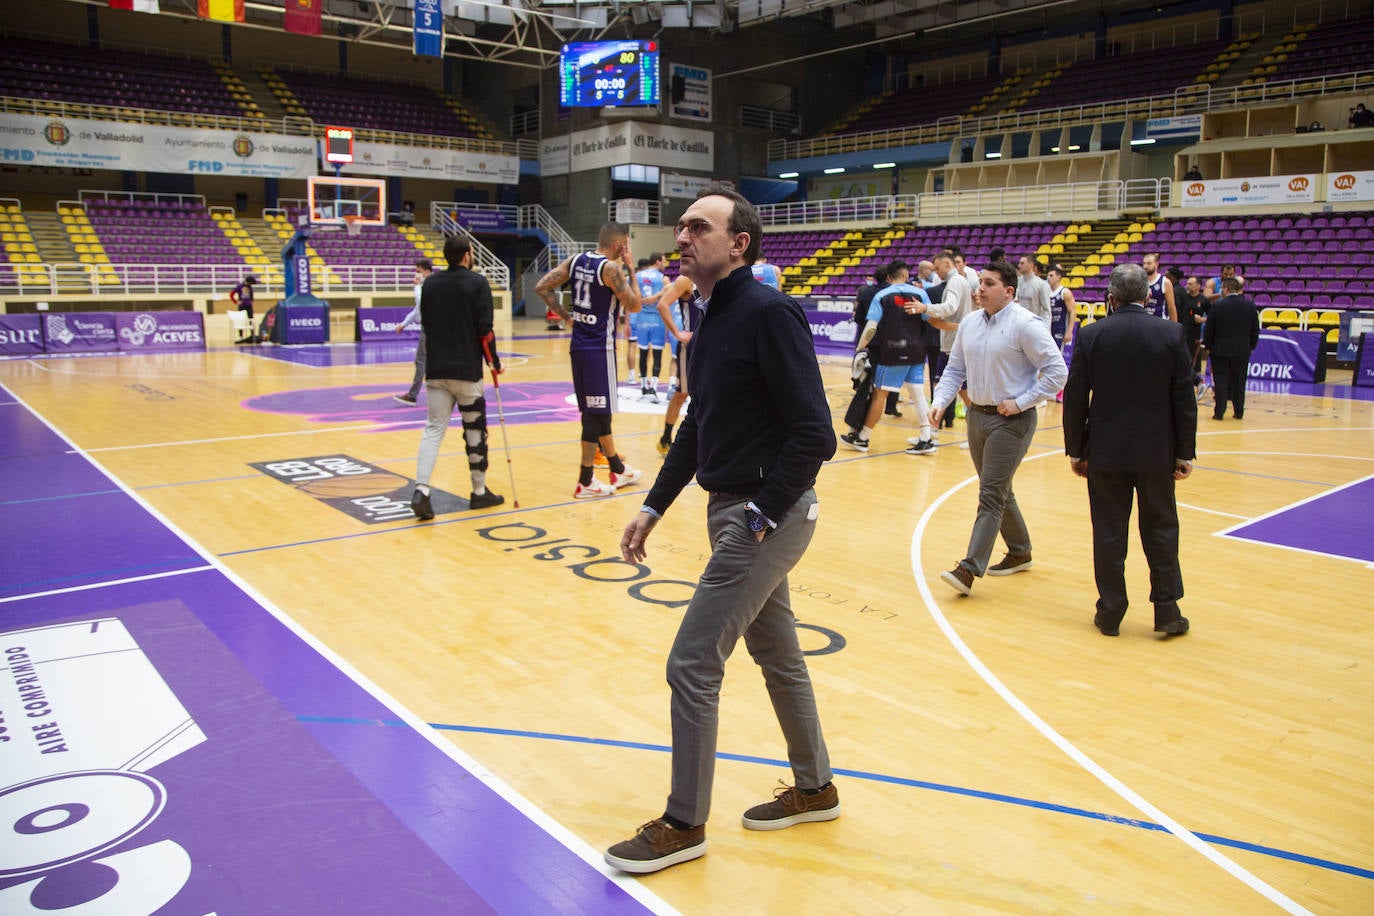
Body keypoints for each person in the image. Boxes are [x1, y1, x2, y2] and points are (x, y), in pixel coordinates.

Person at [607, 185, 838, 875]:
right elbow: (699, 426)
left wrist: (764, 514)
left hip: (765, 514)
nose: (682, 236)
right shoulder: (707, 322)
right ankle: (815, 785)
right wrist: (653, 505)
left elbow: (815, 434)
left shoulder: (771, 314)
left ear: (739, 243)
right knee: (780, 656)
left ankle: (684, 822)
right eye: (680, 226)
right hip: (733, 509)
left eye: (698, 227)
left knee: (692, 662)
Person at [1062, 262, 1196, 638]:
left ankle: (1110, 612)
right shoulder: (1171, 334)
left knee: (1108, 531)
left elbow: (1075, 397)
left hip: (1105, 451)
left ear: (1112, 298)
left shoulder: (1091, 335)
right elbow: (1184, 399)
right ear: (1147, 295)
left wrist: (1077, 449)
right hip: (1158, 451)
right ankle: (1167, 610)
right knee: (1162, 530)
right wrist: (1184, 452)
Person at [929, 261, 1068, 596]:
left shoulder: (1026, 325)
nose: (980, 289)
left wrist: (1021, 402)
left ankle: (969, 569)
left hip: (1012, 421)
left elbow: (1057, 372)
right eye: (981, 283)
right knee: (999, 488)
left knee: (990, 494)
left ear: (1008, 291)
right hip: (977, 416)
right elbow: (954, 369)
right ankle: (1020, 550)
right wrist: (940, 401)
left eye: (989, 284)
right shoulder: (970, 324)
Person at [534, 222, 644, 498]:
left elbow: (542, 287)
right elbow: (635, 305)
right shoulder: (610, 269)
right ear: (620, 245)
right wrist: (630, 267)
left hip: (578, 346)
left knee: (598, 411)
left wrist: (566, 316)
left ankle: (617, 468)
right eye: (626, 245)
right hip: (599, 349)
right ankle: (585, 480)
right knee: (596, 414)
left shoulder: (575, 260)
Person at [409, 238, 504, 519]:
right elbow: (485, 330)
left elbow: (426, 323)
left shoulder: (430, 284)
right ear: (466, 255)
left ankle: (421, 490)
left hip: (437, 369)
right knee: (475, 431)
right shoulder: (477, 283)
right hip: (467, 370)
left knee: (433, 430)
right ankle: (478, 492)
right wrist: (494, 362)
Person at [839, 260, 936, 455]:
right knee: (918, 394)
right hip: (917, 351)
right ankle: (927, 437)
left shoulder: (882, 295)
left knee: (879, 395)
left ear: (889, 277)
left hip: (891, 353)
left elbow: (871, 327)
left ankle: (863, 437)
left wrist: (860, 348)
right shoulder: (921, 294)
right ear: (906, 275)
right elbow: (930, 318)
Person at [925, 249, 973, 432]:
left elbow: (949, 307)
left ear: (947, 264)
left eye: (938, 268)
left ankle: (931, 433)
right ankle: (931, 432)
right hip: (953, 343)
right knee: (947, 388)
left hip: (954, 346)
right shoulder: (962, 282)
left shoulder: (955, 282)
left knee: (955, 390)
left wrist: (925, 308)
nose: (936, 272)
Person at [1203, 276, 1260, 421]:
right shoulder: (1250, 306)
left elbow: (1209, 329)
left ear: (1226, 289)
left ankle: (1219, 413)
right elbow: (1255, 330)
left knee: (1221, 381)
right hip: (1242, 350)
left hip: (1219, 350)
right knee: (1239, 381)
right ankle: (1239, 412)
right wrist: (1251, 346)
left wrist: (1208, 346)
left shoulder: (1217, 306)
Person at [654, 271, 698, 455]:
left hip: (711, 343)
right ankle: (666, 437)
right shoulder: (686, 280)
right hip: (690, 346)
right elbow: (662, 305)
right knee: (682, 394)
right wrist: (678, 333)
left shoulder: (716, 276)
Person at [393, 258, 434, 405]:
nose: (416, 275)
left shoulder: (429, 286)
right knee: (428, 361)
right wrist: (404, 323)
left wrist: (416, 286)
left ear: (427, 272)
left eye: (418, 272)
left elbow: (420, 302)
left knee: (421, 360)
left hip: (430, 327)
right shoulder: (427, 286)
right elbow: (418, 310)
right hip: (430, 326)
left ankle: (412, 395)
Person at [635, 252, 671, 401]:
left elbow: (633, 295)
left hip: (641, 318)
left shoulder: (638, 276)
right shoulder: (663, 279)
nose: (665, 264)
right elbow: (669, 296)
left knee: (643, 353)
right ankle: (653, 389)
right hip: (658, 319)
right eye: (663, 261)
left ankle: (644, 387)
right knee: (657, 355)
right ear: (657, 261)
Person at [1175, 274, 1208, 381]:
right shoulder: (1183, 297)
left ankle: (1195, 381)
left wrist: (1202, 319)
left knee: (1192, 357)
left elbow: (1212, 316)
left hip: (1195, 332)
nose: (1187, 286)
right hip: (1182, 330)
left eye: (1190, 284)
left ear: (1198, 286)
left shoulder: (1203, 300)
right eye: (1187, 283)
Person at [1015, 255, 1052, 326]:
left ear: (1031, 265)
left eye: (1022, 263)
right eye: (1019, 263)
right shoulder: (1017, 282)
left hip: (1035, 325)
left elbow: (1046, 311)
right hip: (1020, 324)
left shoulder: (1041, 284)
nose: (1019, 266)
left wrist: (1045, 329)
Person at [1141, 253, 1178, 322]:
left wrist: (1174, 328)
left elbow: (1172, 308)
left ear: (1156, 264)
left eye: (1149, 263)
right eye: (1144, 263)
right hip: (1143, 322)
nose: (1145, 266)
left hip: (1159, 322)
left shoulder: (1165, 282)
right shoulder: (1140, 281)